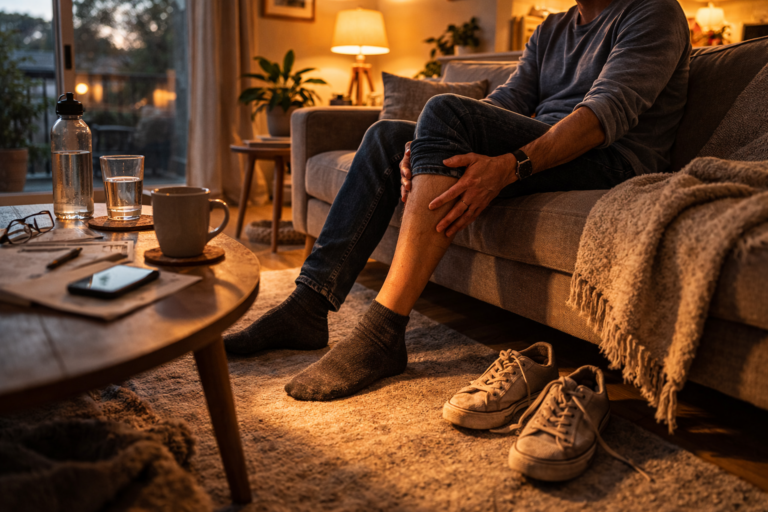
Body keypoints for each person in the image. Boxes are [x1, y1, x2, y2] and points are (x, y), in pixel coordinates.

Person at [224, 0, 691, 401]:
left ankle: (383, 331)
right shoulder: (552, 27)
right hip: (549, 146)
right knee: (388, 135)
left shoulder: (653, 11)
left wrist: (512, 165)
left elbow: (602, 115)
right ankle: (308, 307)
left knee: (443, 110)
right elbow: (508, 101)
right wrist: (424, 143)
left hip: (613, 159)